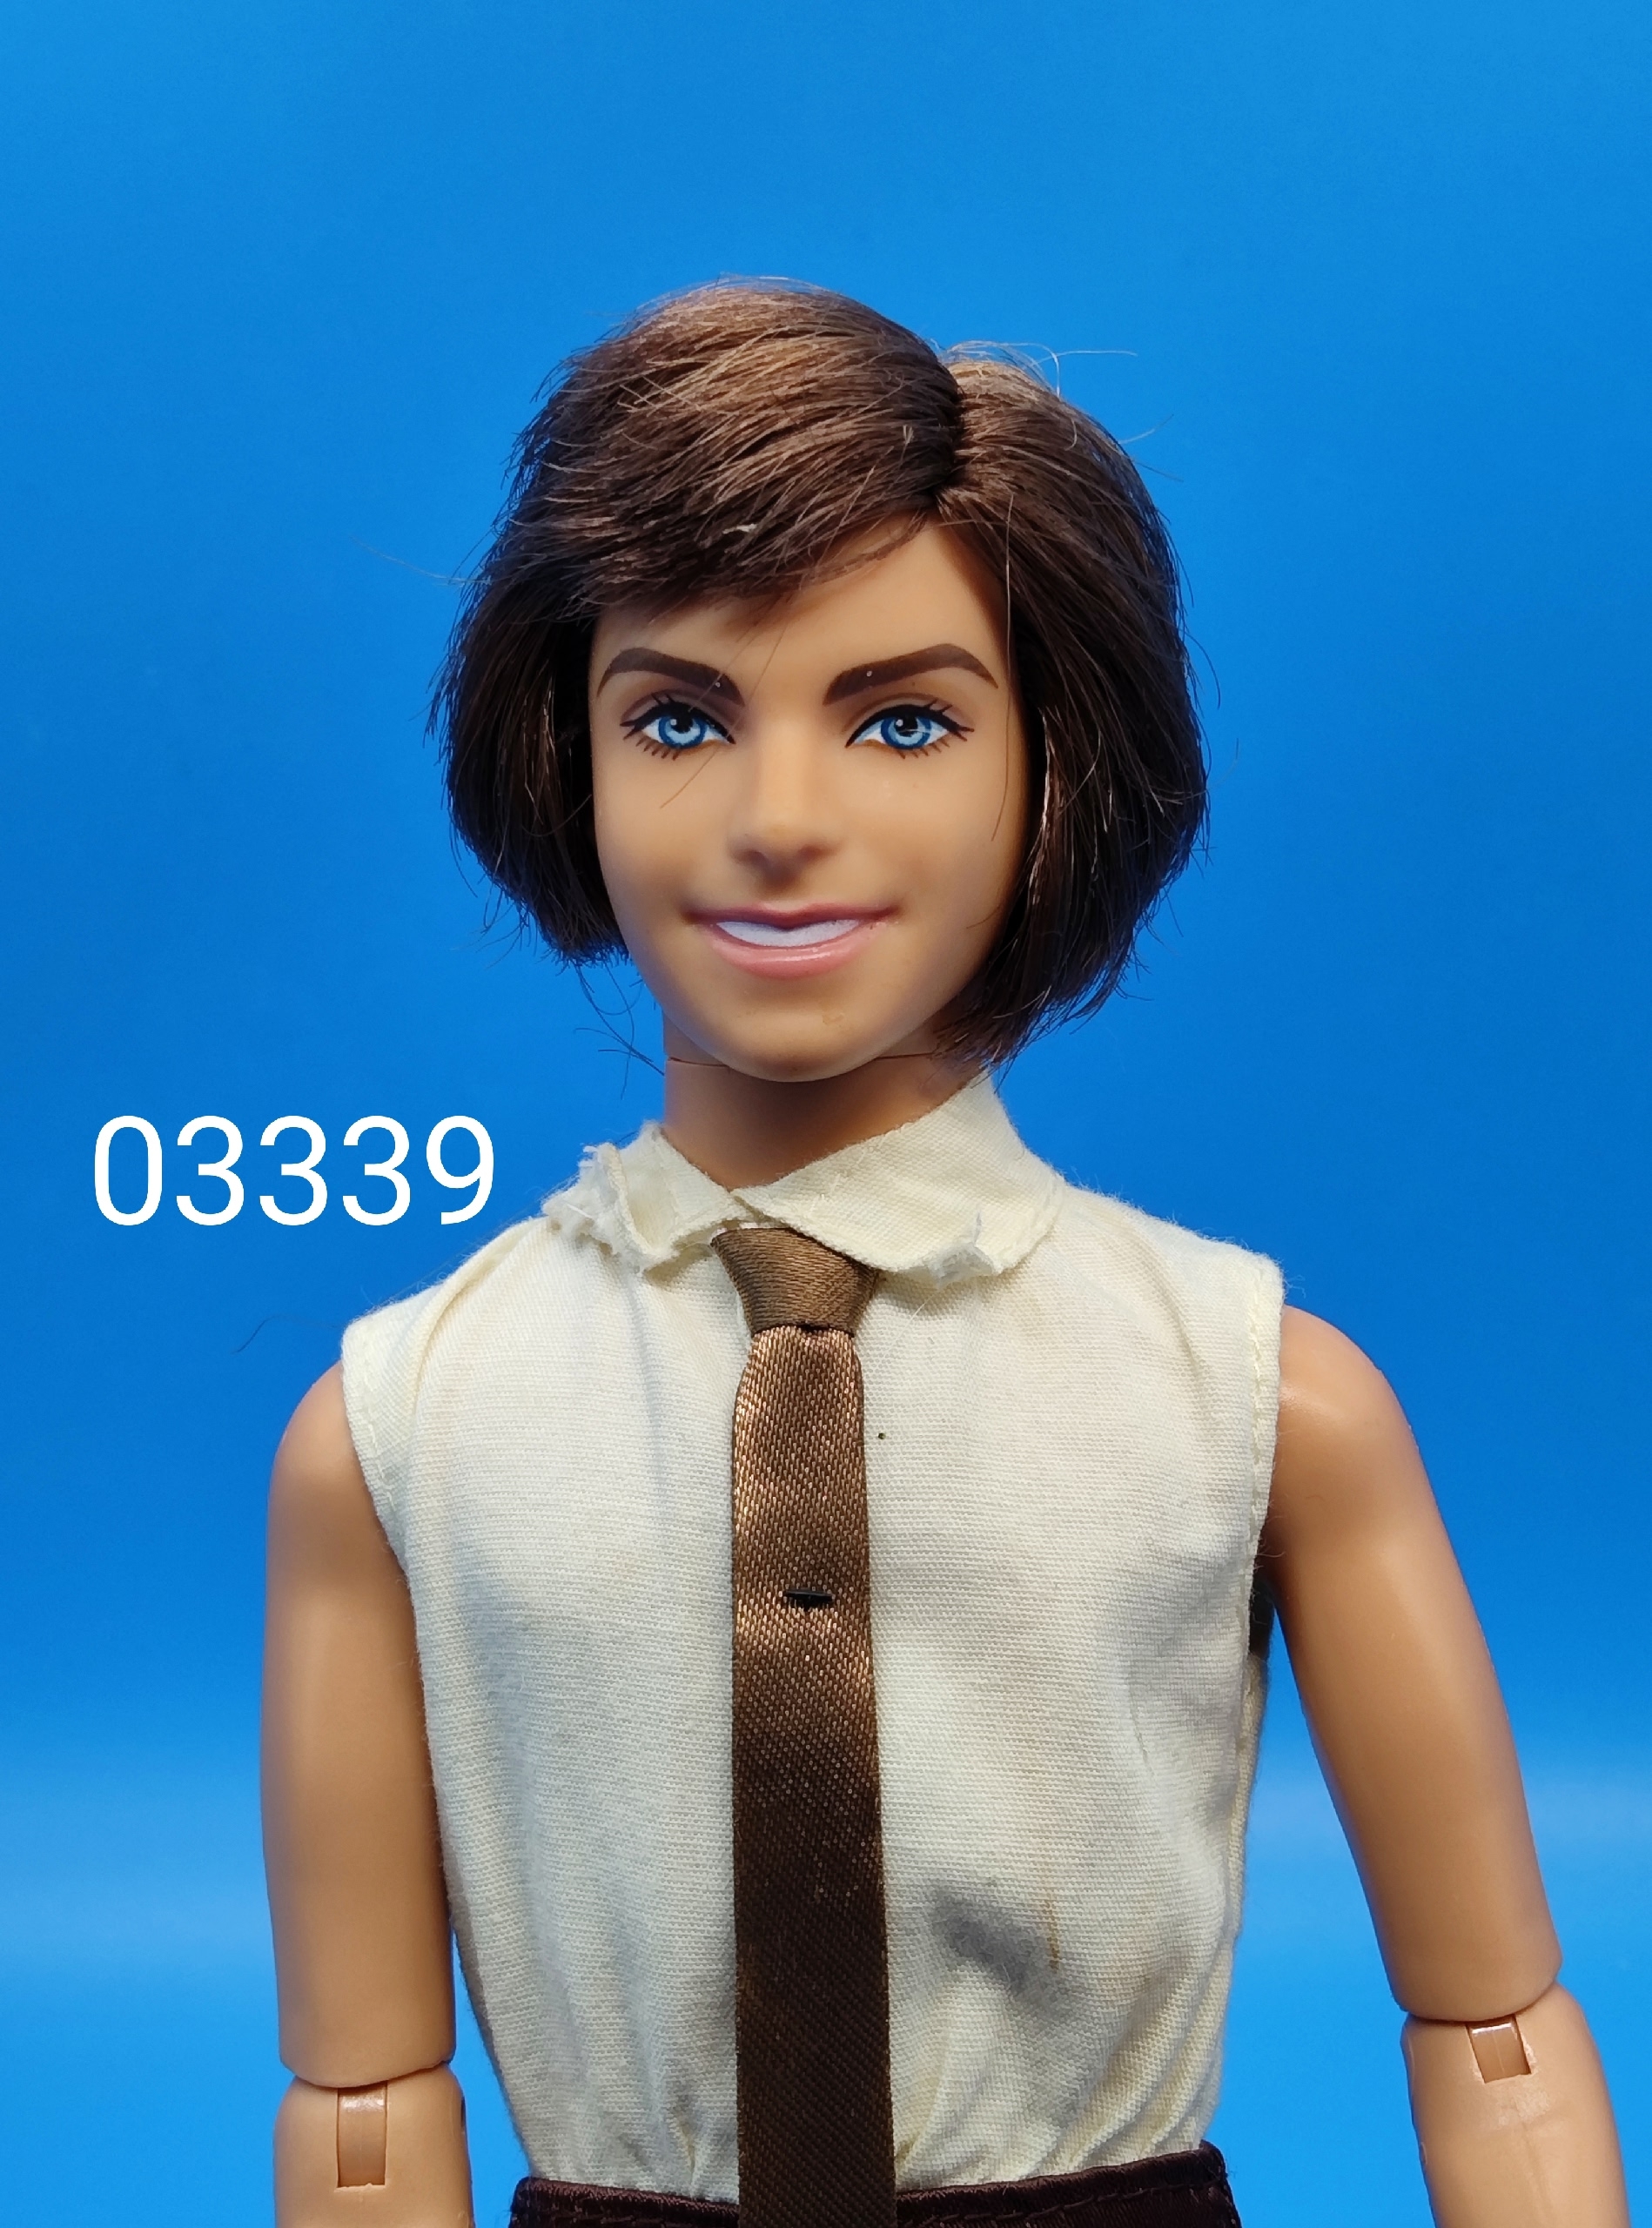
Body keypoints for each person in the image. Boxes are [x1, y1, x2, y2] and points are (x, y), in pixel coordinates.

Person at [262, 282, 1629, 2228]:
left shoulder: (1260, 1400)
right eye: (677, 717)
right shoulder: (402, 1432)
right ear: (566, 756)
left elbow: (1494, 2030)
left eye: (903, 720)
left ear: (1052, 761)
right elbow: (363, 2106)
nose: (780, 821)